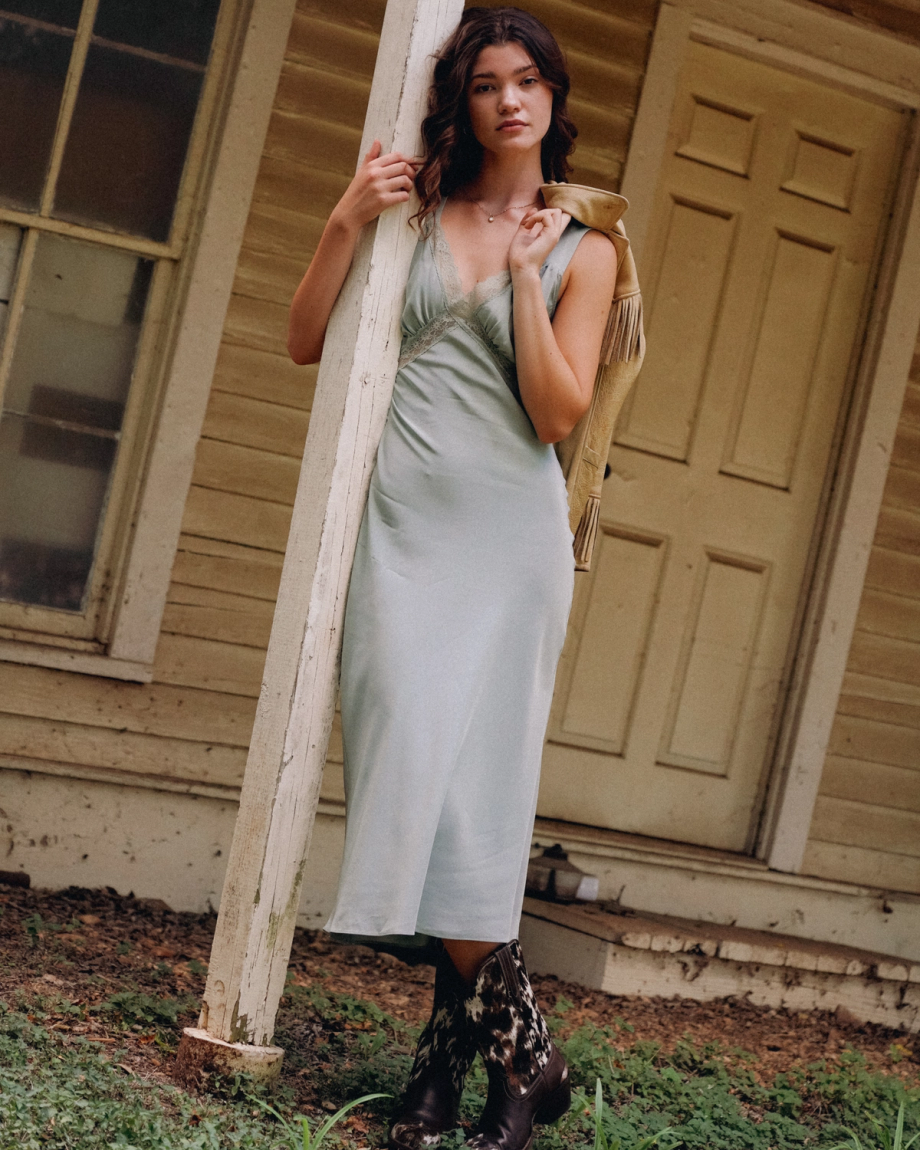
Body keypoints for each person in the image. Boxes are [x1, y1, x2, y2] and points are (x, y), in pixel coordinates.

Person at [287, 8, 618, 1150]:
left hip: (505, 546)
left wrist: (528, 280)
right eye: (486, 84)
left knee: (466, 811)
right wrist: (344, 216)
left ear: (552, 98)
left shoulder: (587, 244)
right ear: (461, 101)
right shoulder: (418, 205)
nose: (509, 101)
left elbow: (555, 412)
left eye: (527, 81)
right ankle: (527, 1054)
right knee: (406, 782)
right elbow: (305, 336)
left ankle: (448, 1078)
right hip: (401, 534)